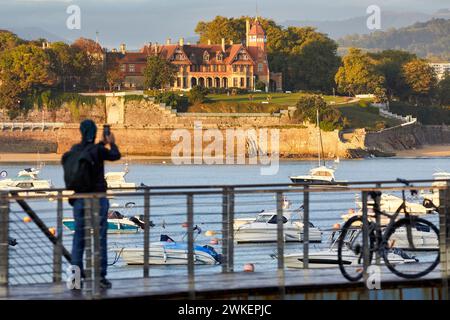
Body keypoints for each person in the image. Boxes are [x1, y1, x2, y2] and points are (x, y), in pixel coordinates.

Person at [66, 119, 121, 289]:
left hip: (79, 200)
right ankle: (100, 278)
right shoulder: (98, 150)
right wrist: (111, 143)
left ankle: (75, 280)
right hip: (98, 199)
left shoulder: (75, 150)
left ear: (81, 132)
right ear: (95, 132)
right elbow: (115, 155)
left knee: (78, 241)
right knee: (100, 240)